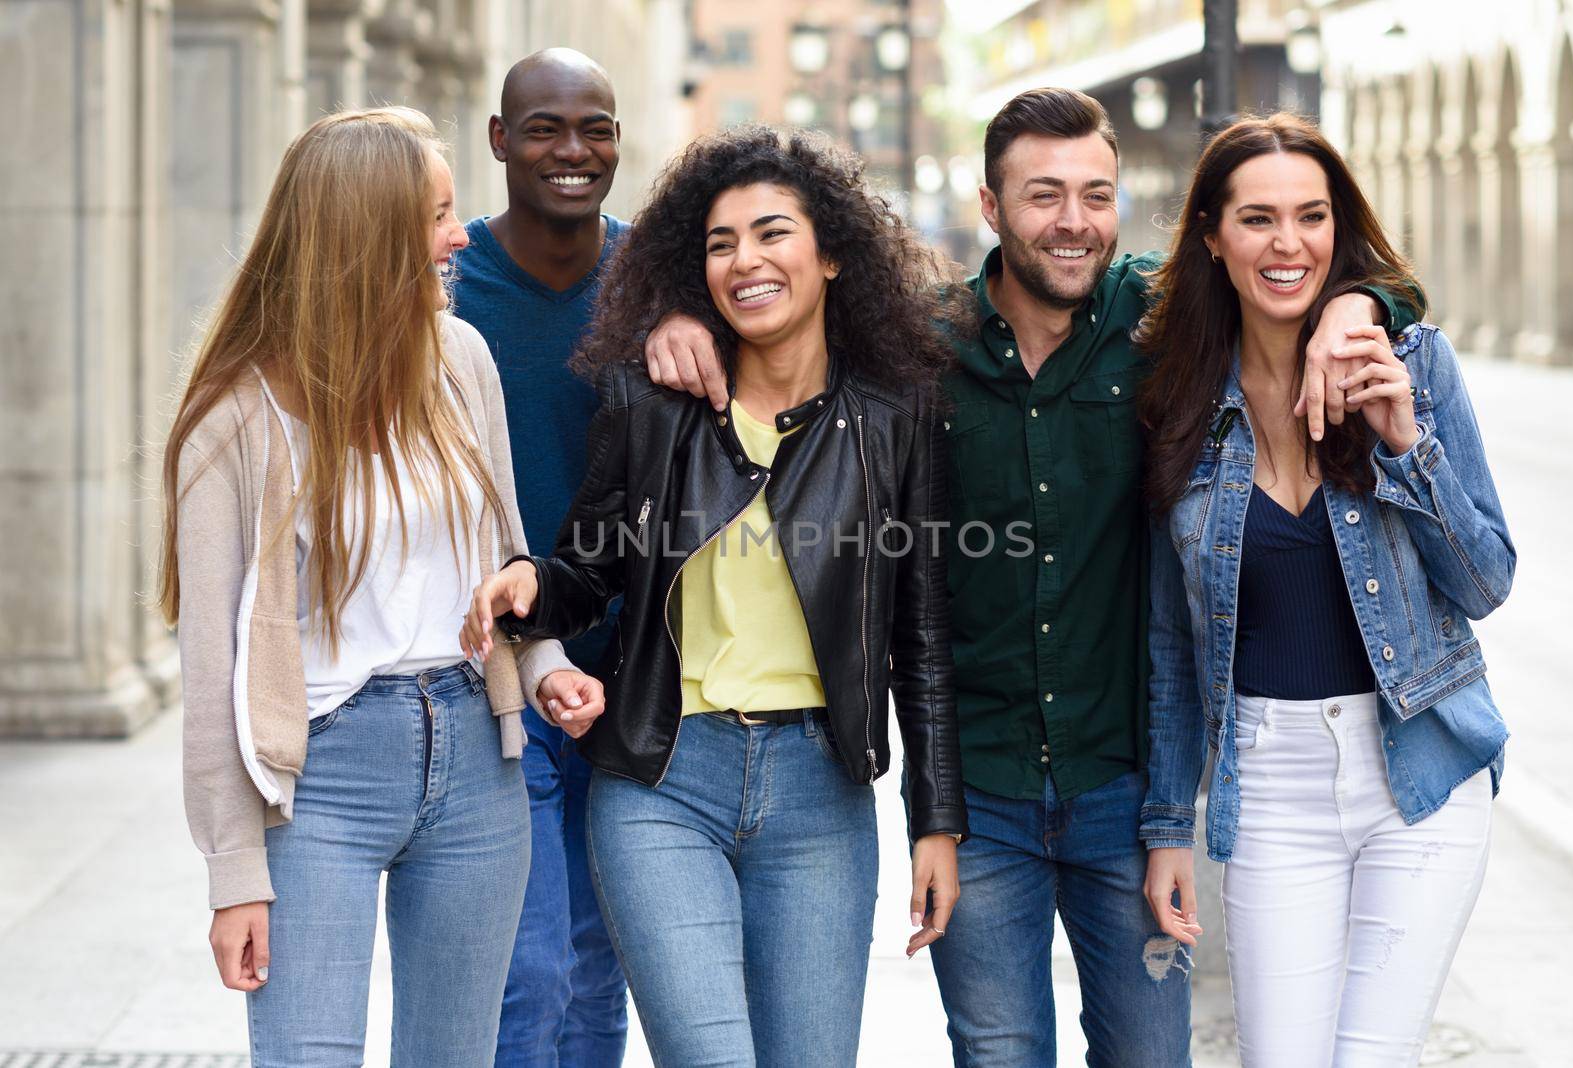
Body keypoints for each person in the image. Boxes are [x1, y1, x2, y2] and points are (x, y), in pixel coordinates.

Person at [643, 89, 1417, 1066]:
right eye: (1043, 195)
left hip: (1126, 789)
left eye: (1095, 194)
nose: (1074, 221)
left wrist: (1357, 304)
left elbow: (1327, 275)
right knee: (998, 1052)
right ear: (990, 207)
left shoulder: (1161, 322)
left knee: (1148, 1055)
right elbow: (773, 300)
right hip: (982, 799)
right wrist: (680, 319)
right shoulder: (917, 347)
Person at [460, 125, 969, 1068]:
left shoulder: (893, 419)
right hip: (661, 781)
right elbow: (590, 572)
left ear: (832, 258)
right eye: (720, 243)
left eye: (773, 234)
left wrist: (935, 821)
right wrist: (533, 592)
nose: (746, 261)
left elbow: (921, 634)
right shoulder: (654, 402)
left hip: (821, 792)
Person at [159, 106, 600, 1066]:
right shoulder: (236, 421)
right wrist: (233, 872)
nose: (459, 235)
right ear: (363, 232)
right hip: (320, 777)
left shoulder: (462, 363)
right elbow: (210, 669)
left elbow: (508, 561)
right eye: (438, 214)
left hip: (478, 761)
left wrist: (547, 667)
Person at [1138, 113, 1513, 1066]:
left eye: (1312, 217)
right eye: (1258, 219)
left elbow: (1485, 580)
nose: (1288, 243)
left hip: (1419, 767)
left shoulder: (1410, 361)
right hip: (1270, 782)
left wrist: (1403, 446)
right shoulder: (1173, 395)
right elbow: (1171, 645)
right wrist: (1167, 826)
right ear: (1213, 238)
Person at [448, 48, 630, 1067]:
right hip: (490, 681)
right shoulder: (445, 285)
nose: (573, 150)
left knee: (597, 972)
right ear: (499, 140)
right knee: (528, 976)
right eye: (545, 128)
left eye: (595, 128)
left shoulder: (658, 280)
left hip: (625, 679)